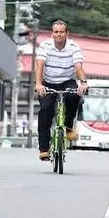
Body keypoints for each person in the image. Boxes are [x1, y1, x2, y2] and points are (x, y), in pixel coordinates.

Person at [35, 20, 87, 161]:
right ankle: (44, 148)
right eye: (56, 32)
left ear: (67, 33)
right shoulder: (45, 45)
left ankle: (69, 126)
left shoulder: (73, 46)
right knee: (45, 110)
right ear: (52, 34)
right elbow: (40, 65)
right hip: (48, 82)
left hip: (67, 81)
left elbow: (78, 65)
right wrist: (39, 84)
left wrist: (83, 83)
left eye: (61, 32)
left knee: (74, 95)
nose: (59, 34)